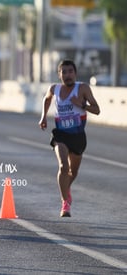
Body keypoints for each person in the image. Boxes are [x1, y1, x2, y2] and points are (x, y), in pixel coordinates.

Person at [39, 59, 100, 217]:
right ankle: (65, 203)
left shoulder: (83, 88)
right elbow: (46, 99)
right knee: (63, 166)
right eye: (64, 72)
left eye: (70, 71)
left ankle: (66, 189)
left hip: (78, 136)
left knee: (73, 172)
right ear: (59, 75)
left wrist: (82, 105)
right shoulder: (55, 88)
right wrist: (43, 117)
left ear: (75, 73)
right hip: (61, 135)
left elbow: (97, 110)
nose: (67, 75)